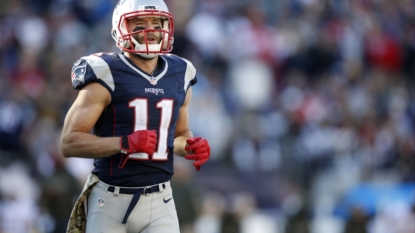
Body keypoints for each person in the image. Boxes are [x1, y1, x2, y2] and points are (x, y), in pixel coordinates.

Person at [60, 0, 211, 232]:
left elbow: (178, 135)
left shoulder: (181, 72)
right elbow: (69, 142)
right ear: (121, 29)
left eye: (156, 22)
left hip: (161, 200)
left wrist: (190, 145)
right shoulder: (105, 71)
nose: (150, 30)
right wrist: (125, 143)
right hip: (109, 200)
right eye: (139, 24)